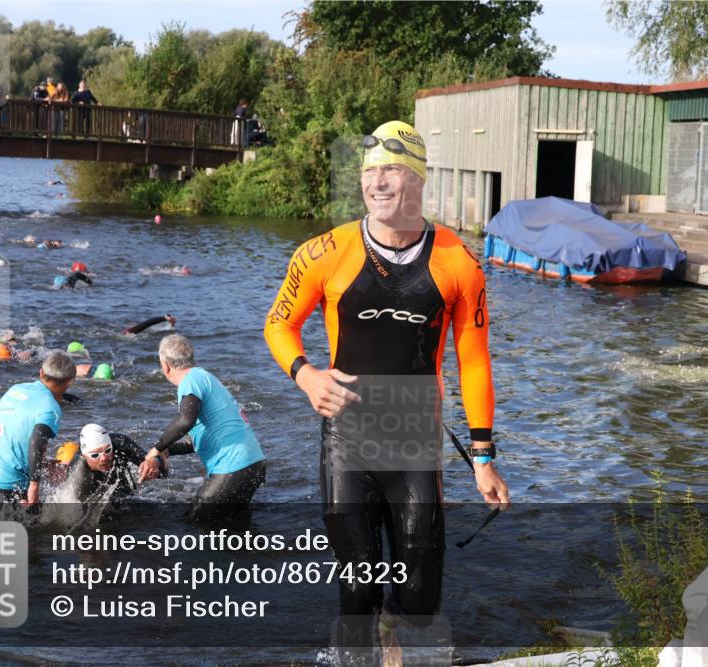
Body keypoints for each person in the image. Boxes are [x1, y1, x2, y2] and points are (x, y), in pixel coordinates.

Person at [264, 120, 510, 663]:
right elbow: (279, 325)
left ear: (419, 180)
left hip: (415, 442)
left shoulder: (459, 262)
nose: (377, 183)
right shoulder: (323, 252)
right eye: (369, 172)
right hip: (346, 441)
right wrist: (306, 375)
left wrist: (483, 457)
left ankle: (397, 638)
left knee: (420, 597)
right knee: (357, 591)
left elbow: (474, 359)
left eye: (392, 171)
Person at [137, 334, 265, 519]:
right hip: (253, 465)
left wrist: (156, 449)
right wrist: (168, 450)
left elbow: (185, 421)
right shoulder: (204, 377)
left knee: (195, 522)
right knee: (234, 524)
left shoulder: (190, 381)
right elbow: (200, 438)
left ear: (165, 365)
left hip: (233, 468)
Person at [0, 351, 77, 506]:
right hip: (5, 488)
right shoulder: (50, 407)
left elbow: (10, 437)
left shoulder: (15, 390)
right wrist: (34, 486)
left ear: (41, 372)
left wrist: (42, 464)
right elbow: (36, 442)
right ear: (69, 382)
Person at [61, 424, 165, 504]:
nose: (104, 458)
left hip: (124, 495)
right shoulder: (77, 471)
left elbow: (162, 470)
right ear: (85, 456)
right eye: (95, 455)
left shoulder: (121, 443)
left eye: (107, 450)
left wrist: (155, 464)